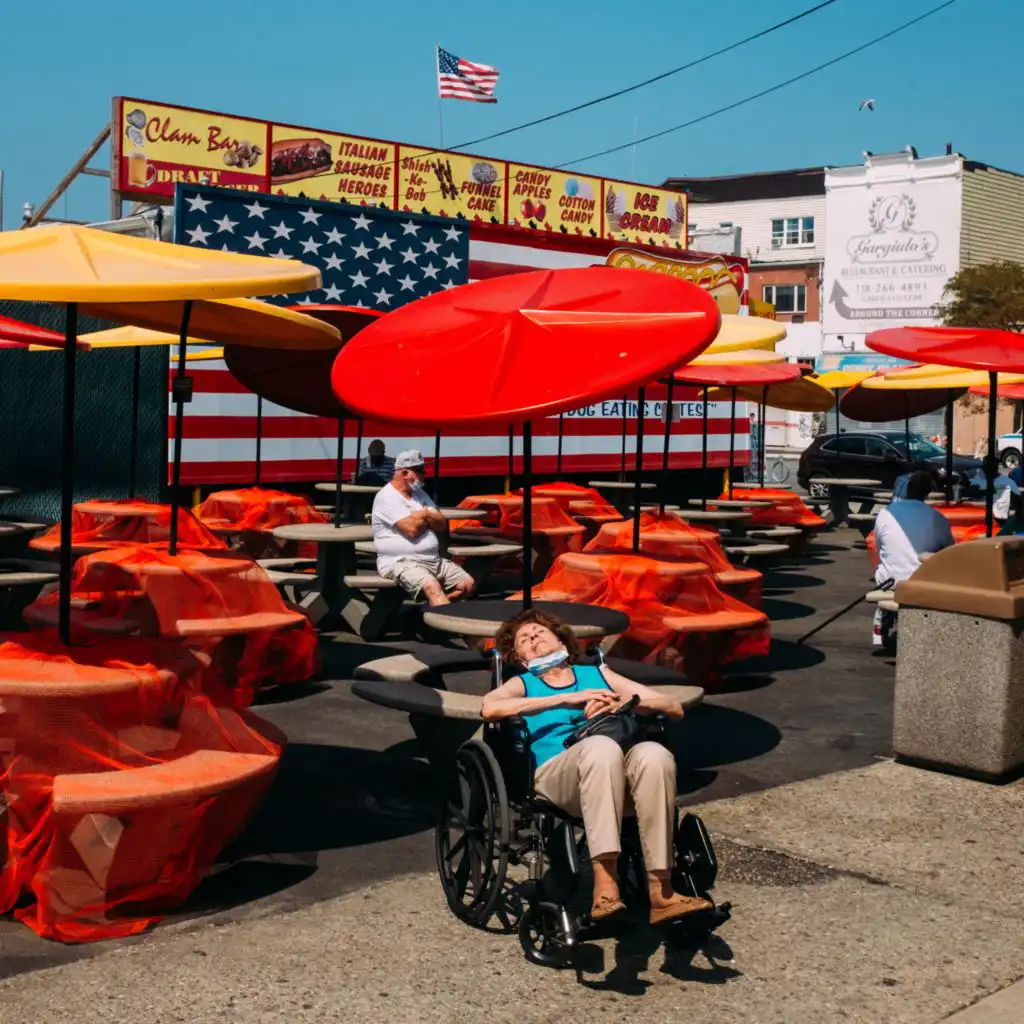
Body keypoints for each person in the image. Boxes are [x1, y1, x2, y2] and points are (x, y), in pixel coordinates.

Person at [484, 609, 713, 925]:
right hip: (557, 777)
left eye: (539, 631)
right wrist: (565, 701)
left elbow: (672, 707)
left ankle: (662, 890)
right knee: (600, 748)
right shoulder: (524, 682)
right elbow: (489, 707)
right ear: (521, 659)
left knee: (653, 754)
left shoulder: (600, 674)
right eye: (525, 638)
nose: (533, 636)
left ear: (562, 640)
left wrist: (623, 702)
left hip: (614, 770)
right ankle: (605, 886)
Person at [370, 449, 474, 606]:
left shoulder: (420, 494)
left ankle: (434, 612)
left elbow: (440, 523)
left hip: (433, 560)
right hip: (400, 562)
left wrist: (421, 514)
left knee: (467, 584)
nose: (424, 474)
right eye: (420, 470)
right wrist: (427, 515)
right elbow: (411, 530)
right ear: (404, 473)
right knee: (432, 587)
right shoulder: (386, 496)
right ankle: (443, 623)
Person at [872, 470, 955, 645]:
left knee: (883, 566)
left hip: (889, 580)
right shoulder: (935, 517)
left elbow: (880, 547)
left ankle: (880, 628)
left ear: (907, 489)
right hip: (920, 580)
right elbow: (950, 549)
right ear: (927, 492)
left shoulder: (886, 512)